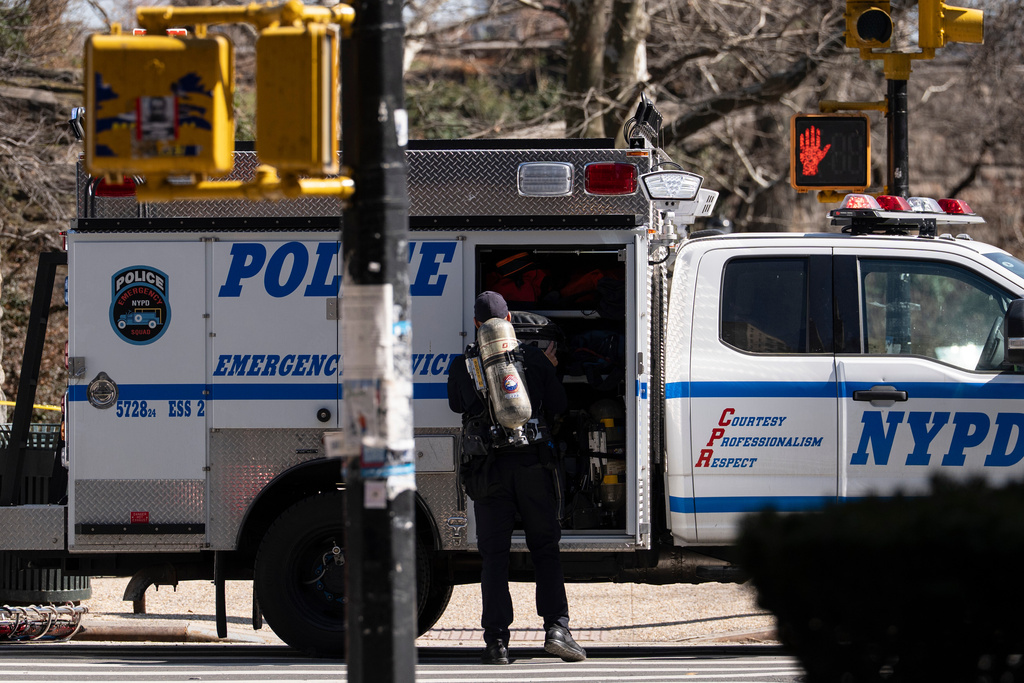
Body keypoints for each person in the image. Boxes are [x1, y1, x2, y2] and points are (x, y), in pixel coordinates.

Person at [448, 291, 585, 665]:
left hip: (488, 473)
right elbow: (559, 405)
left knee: (494, 557)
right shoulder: (535, 358)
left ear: (477, 324)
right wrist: (546, 373)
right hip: (532, 468)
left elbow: (457, 405)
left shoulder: (462, 364)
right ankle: (557, 629)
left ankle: (496, 643)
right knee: (545, 550)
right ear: (509, 319)